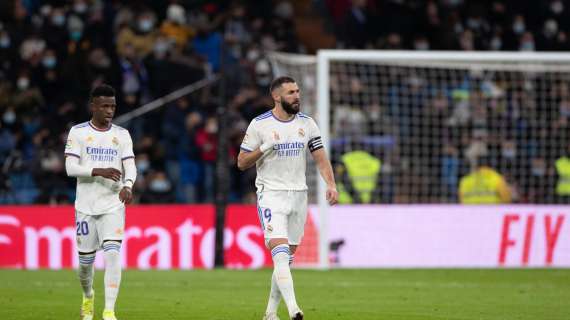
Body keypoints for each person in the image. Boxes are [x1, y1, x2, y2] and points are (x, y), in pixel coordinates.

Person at [237, 76, 338, 320]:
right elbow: (241, 162)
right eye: (291, 92)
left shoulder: (307, 123)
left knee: (287, 257)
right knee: (280, 252)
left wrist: (331, 184)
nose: (297, 96)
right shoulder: (259, 124)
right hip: (271, 194)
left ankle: (270, 313)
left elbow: (320, 157)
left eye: (298, 91)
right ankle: (294, 309)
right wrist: (264, 148)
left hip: (299, 195)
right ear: (277, 96)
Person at [64, 84, 136, 320]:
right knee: (85, 264)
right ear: (92, 106)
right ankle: (88, 296)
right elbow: (70, 168)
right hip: (85, 205)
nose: (109, 110)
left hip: (112, 204)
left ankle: (109, 311)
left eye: (113, 106)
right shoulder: (78, 132)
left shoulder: (122, 134)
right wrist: (98, 171)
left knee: (113, 254)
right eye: (104, 106)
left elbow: (130, 166)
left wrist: (128, 185)